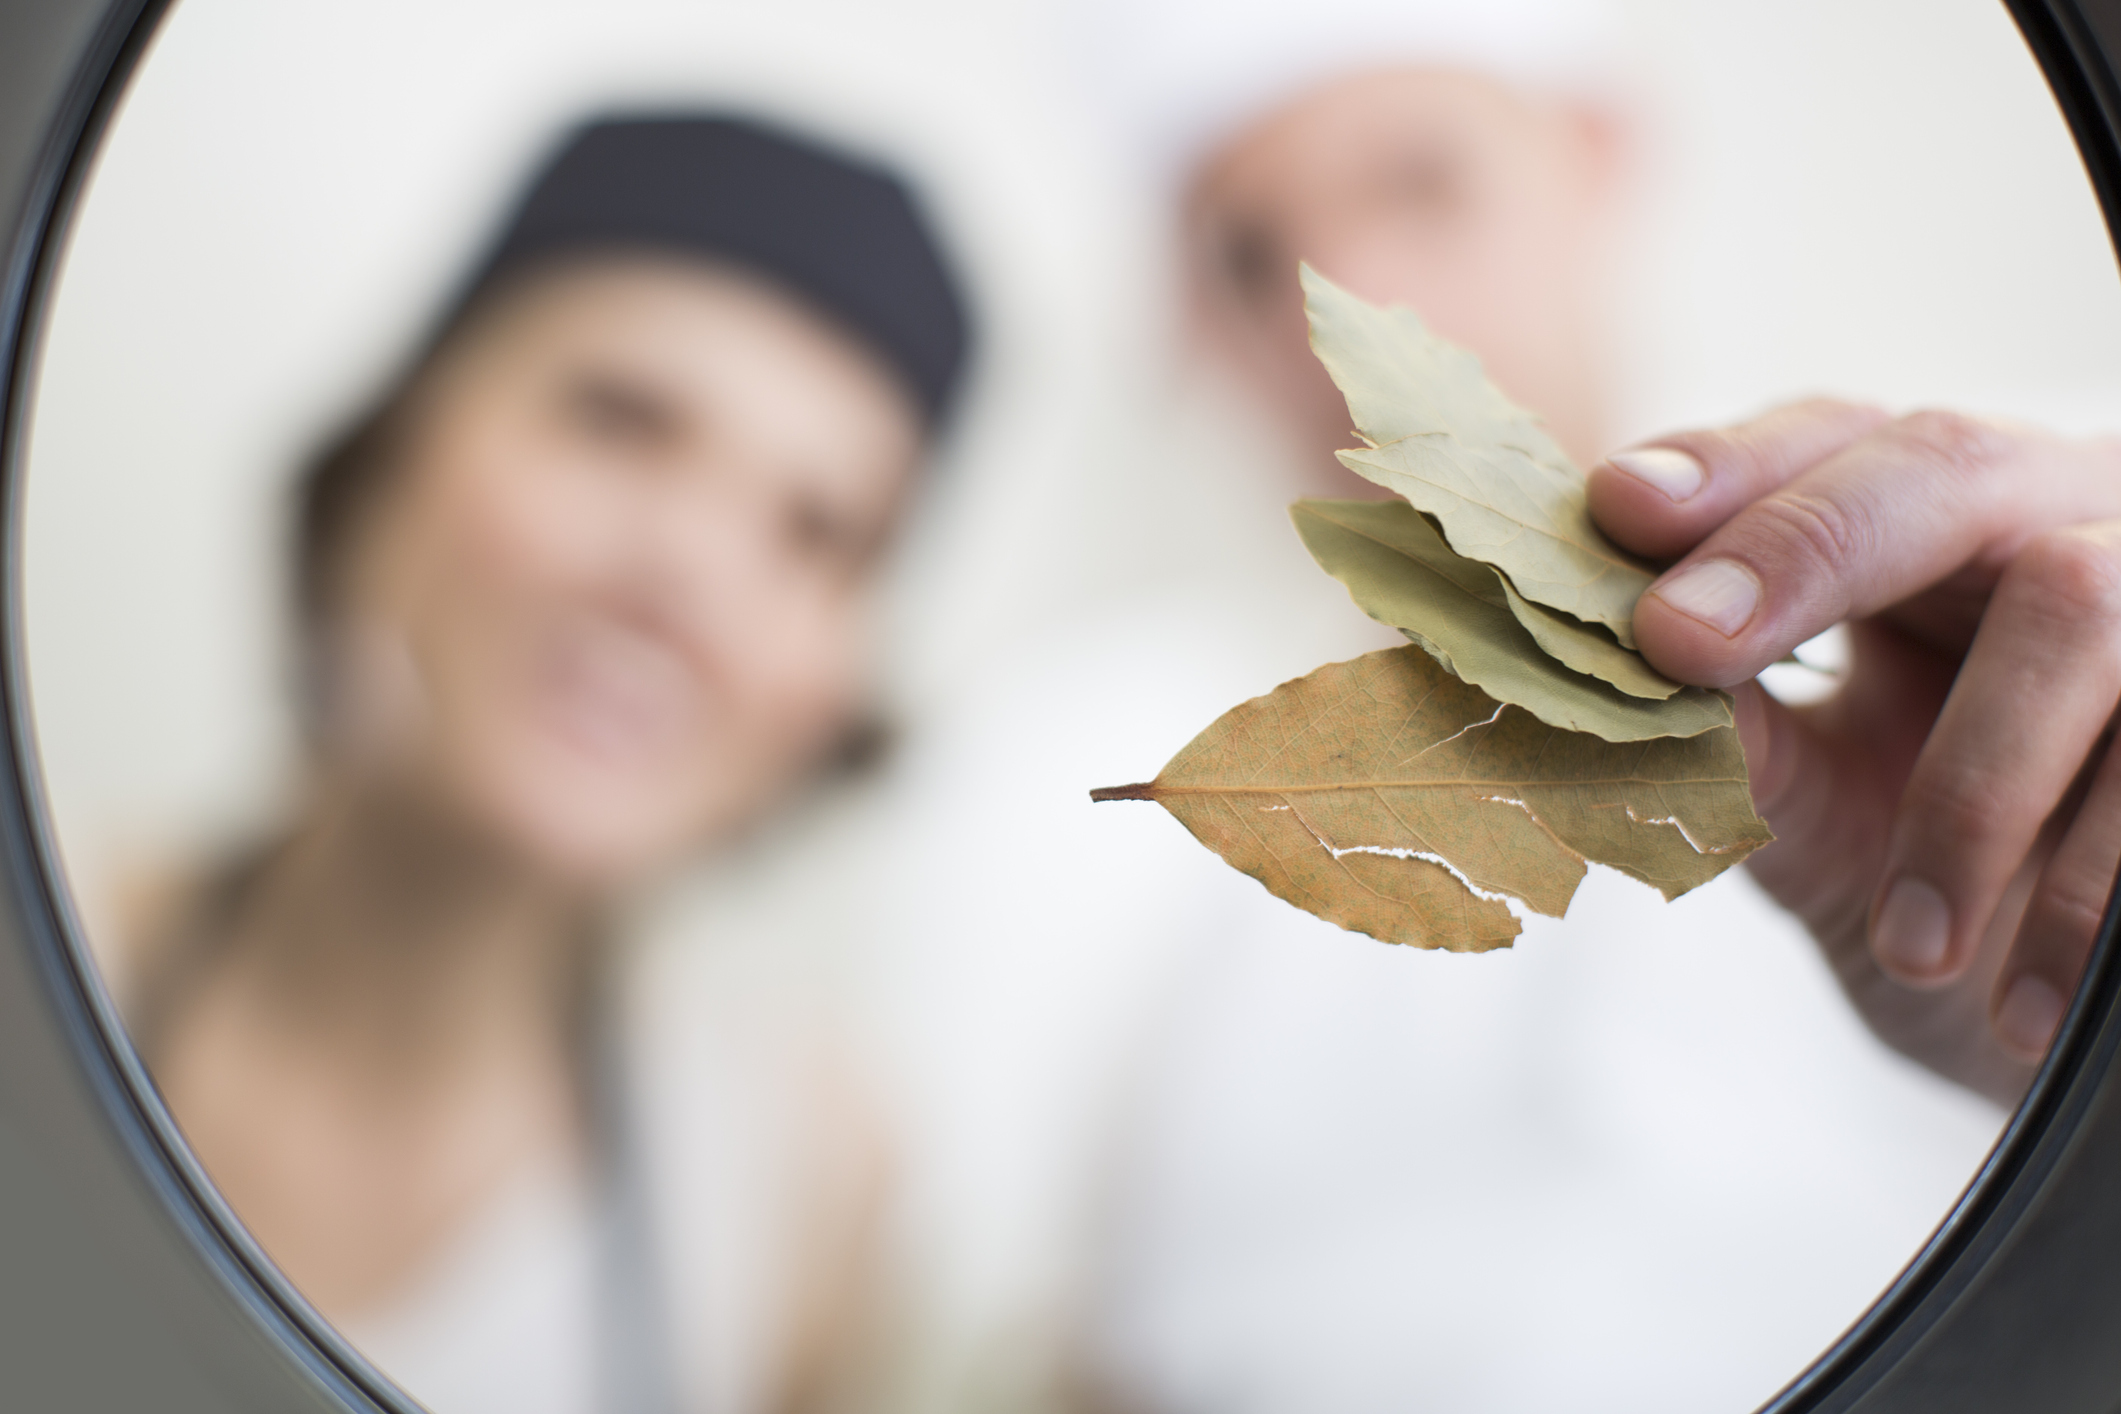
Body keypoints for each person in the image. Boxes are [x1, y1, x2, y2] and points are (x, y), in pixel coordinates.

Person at [120, 113, 970, 1414]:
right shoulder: (42, 938)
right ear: (388, 462)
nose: (688, 572)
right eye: (618, 420)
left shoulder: (795, 1191)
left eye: (816, 531)